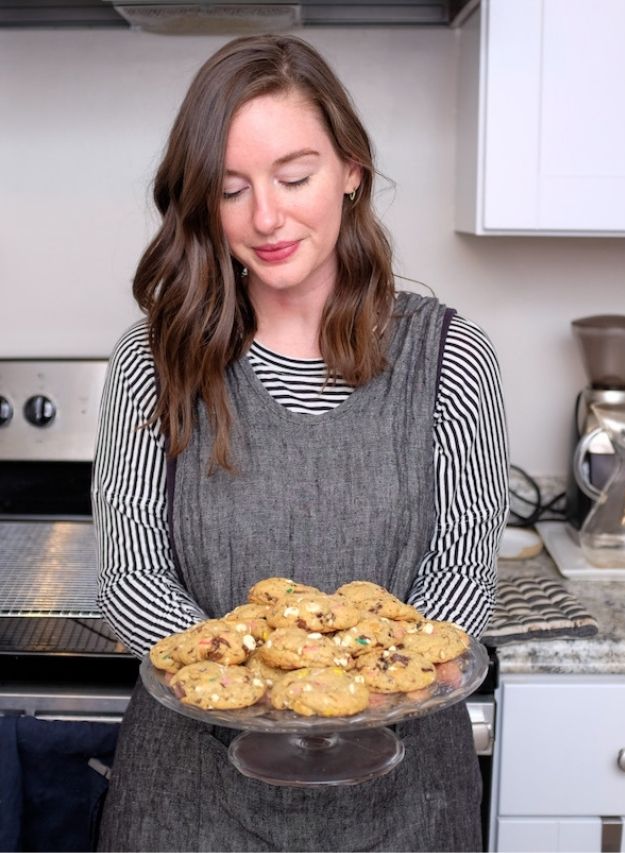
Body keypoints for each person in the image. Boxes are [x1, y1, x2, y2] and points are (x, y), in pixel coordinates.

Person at [92, 34, 508, 850]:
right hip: (188, 803)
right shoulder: (152, 360)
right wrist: (272, 695)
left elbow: (460, 577)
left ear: (351, 168)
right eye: (231, 189)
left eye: (294, 176)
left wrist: (344, 697)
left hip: (406, 800)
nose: (267, 217)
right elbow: (130, 576)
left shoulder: (452, 357)